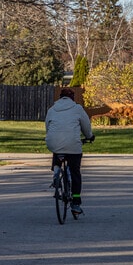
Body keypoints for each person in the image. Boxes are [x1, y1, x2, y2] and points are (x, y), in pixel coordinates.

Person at [45, 88, 94, 216]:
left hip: (53, 141)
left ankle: (56, 172)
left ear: (60, 98)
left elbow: (48, 126)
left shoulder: (51, 109)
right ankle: (76, 203)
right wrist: (89, 136)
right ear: (73, 98)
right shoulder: (77, 109)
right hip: (72, 145)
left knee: (57, 149)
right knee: (75, 172)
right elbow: (86, 127)